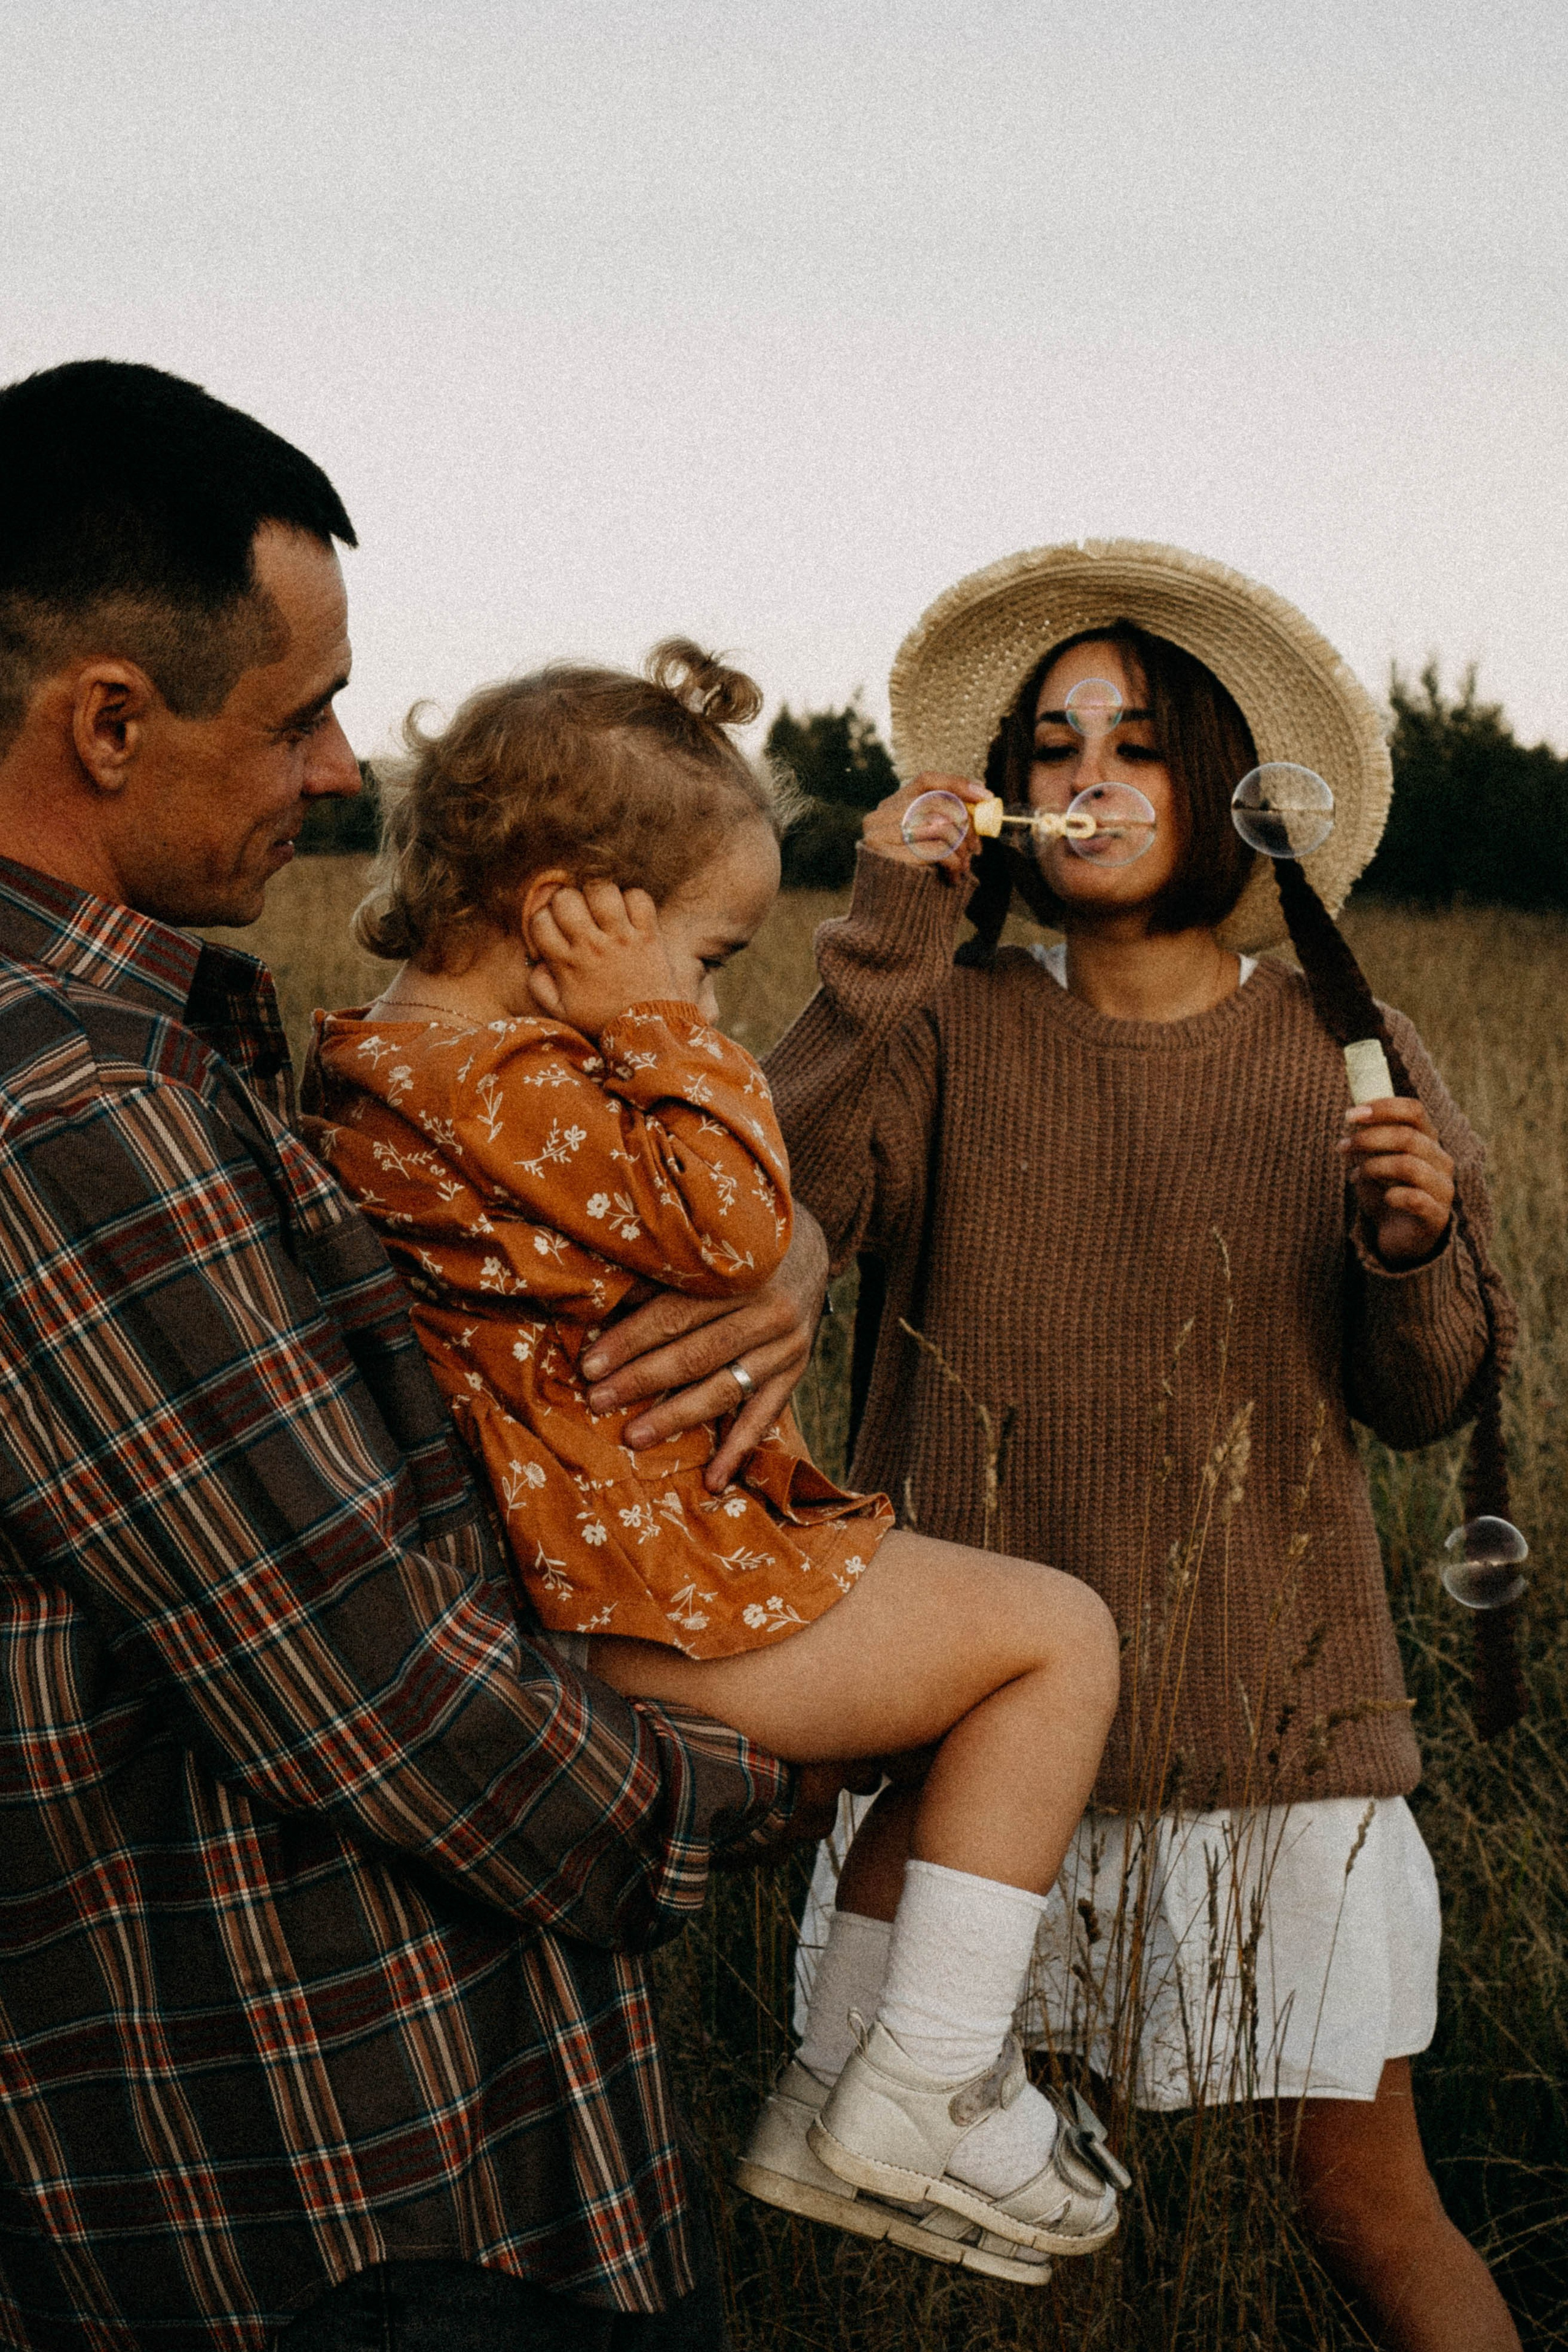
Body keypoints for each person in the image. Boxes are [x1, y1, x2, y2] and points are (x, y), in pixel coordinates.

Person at [0, 357, 840, 2352]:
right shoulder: (66, 1107)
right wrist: (780, 1774)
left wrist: (777, 1250)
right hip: (350, 2208)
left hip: (436, 2173)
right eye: (298, 715)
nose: (344, 768)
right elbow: (365, 1680)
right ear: (109, 722)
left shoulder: (169, 1038)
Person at [766, 541, 1523, 2352]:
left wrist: (1415, 1249)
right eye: (1049, 744)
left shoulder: (1348, 1045)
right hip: (971, 1759)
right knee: (939, 2237)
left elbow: (1427, 1400)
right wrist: (884, 932)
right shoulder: (944, 1026)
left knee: (1358, 2202)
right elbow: (767, 1220)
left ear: (1229, 791)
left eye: (1139, 743)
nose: (1083, 777)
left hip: (1284, 1741)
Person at [308, 646, 1128, 2288]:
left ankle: (841, 2088)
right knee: (1059, 1638)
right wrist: (662, 1030)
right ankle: (928, 2087)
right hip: (647, 1593)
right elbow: (739, 1225)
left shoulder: (376, 1068)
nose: (711, 993)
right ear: (573, 918)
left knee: (947, 1727)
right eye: (707, 952)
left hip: (602, 1570)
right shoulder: (518, 1084)